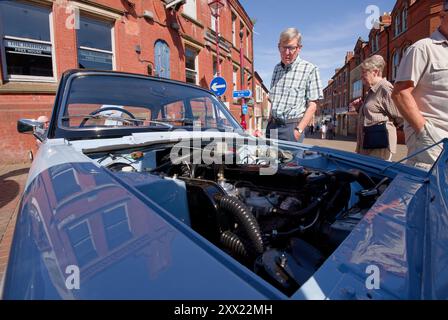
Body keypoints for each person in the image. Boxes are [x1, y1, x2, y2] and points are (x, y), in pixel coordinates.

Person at [392, 1, 448, 169]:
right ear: (442, 15)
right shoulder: (423, 49)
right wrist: (424, 132)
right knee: (425, 191)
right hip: (433, 141)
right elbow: (400, 93)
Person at [266, 27, 323, 142]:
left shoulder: (310, 69)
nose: (287, 53)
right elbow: (272, 99)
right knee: (269, 159)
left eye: (291, 48)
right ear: (279, 47)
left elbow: (313, 105)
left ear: (299, 48)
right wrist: (269, 121)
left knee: (290, 160)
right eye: (284, 48)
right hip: (272, 127)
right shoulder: (276, 69)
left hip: (291, 128)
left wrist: (299, 131)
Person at [354, 55, 403, 161]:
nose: (362, 78)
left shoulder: (385, 88)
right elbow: (372, 114)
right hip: (367, 144)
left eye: (364, 74)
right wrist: (359, 108)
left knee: (373, 176)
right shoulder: (371, 91)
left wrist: (386, 127)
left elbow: (401, 116)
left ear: (375, 72)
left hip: (379, 145)